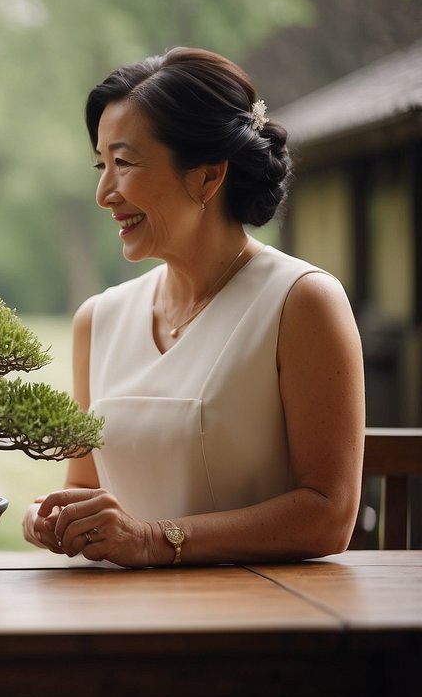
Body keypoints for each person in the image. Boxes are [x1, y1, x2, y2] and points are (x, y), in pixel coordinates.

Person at [23, 47, 364, 567]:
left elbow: (330, 513)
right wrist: (52, 519)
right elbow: (83, 486)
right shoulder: (98, 319)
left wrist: (153, 540)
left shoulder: (302, 301)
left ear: (207, 176)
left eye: (124, 163)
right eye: (101, 164)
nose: (103, 193)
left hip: (260, 616)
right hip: (114, 618)